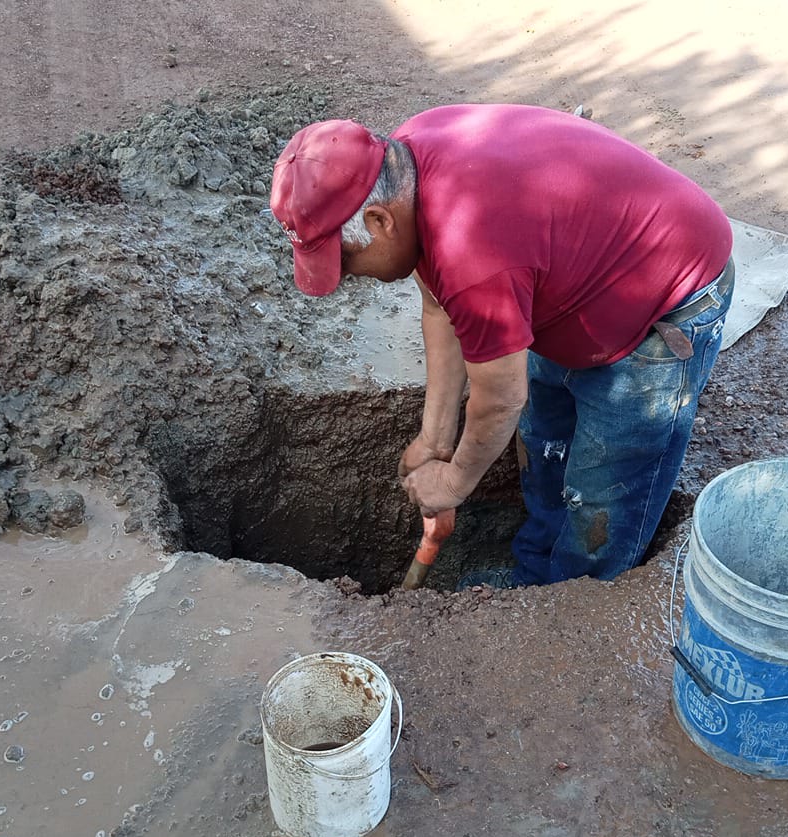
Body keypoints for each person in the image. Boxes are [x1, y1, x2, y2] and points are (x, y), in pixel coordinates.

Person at [269, 104, 734, 588]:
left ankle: (574, 596)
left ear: (380, 222)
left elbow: (499, 401)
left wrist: (452, 483)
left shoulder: (472, 258)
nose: (346, 275)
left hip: (670, 292)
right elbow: (439, 311)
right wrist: (435, 440)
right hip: (577, 276)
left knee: (604, 488)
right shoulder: (403, 163)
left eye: (344, 261)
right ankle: (535, 571)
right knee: (543, 443)